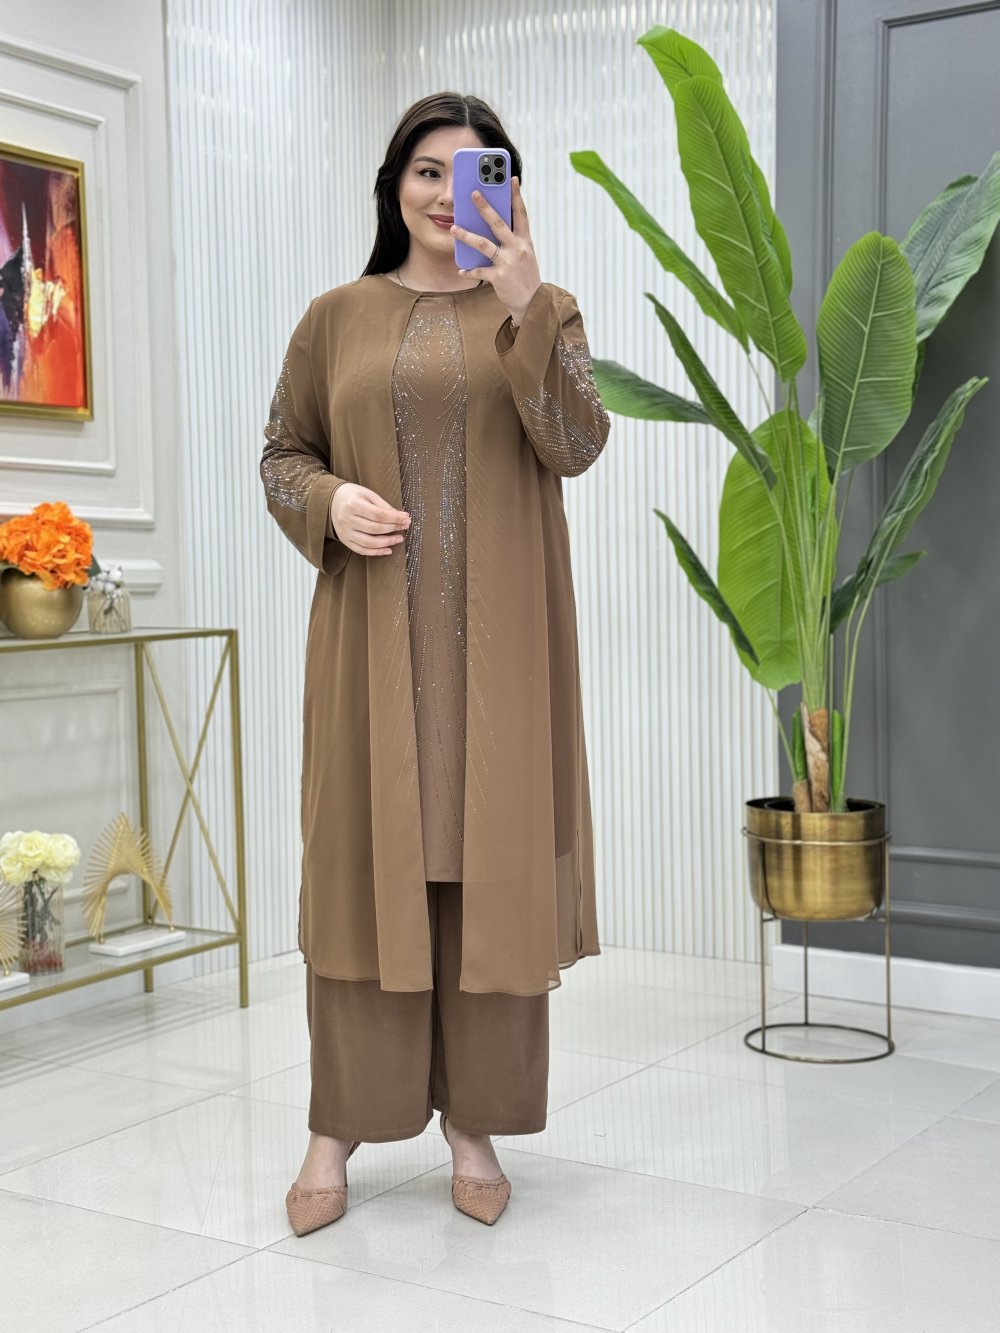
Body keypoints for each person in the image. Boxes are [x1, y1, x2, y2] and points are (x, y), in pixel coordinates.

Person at [259, 91, 609, 1236]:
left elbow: (578, 443)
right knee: (364, 871)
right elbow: (283, 453)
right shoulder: (335, 317)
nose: (445, 192)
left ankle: (475, 1123)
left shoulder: (542, 307)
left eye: (473, 171)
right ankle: (336, 1127)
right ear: (394, 185)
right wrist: (328, 500)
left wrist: (525, 306)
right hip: (371, 647)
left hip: (501, 654)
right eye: (426, 169)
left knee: (483, 870)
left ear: (505, 189)